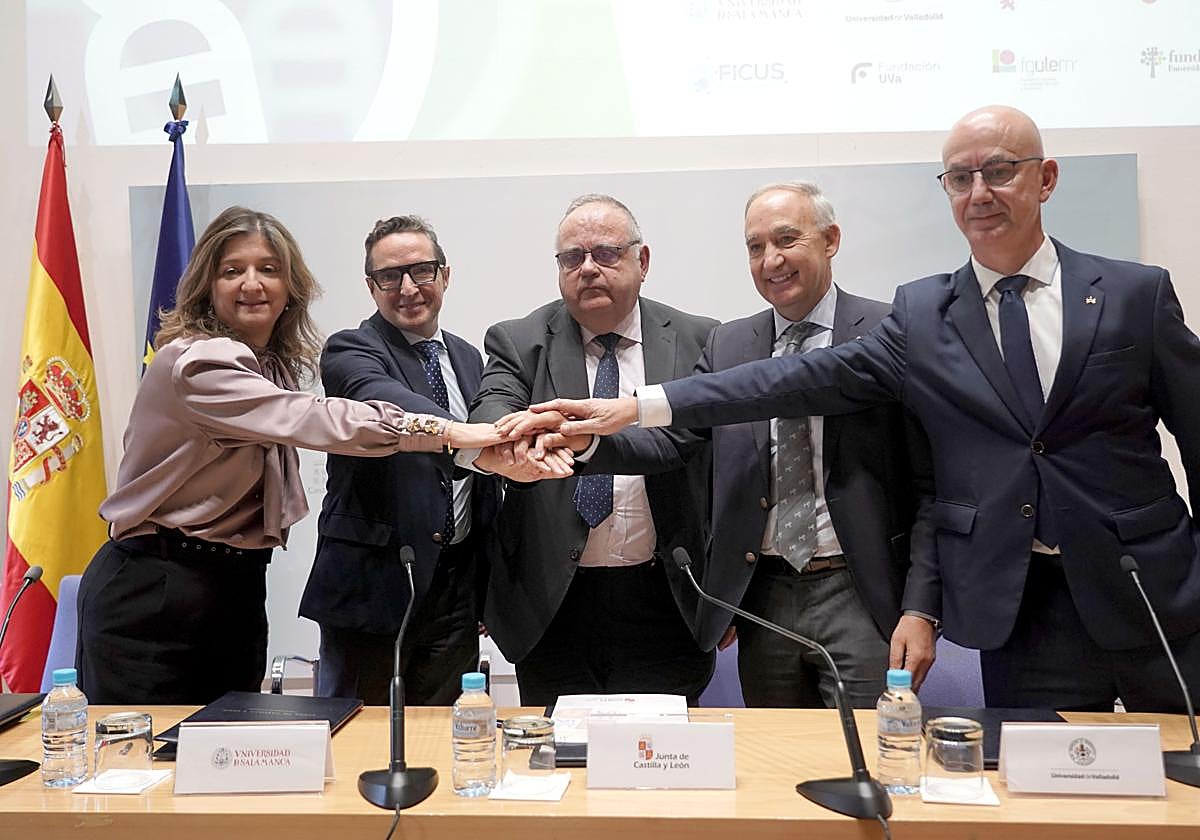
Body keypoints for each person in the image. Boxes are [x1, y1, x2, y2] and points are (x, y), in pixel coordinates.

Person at [513, 106, 1200, 712]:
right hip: (1017, 608)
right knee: (1039, 787)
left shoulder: (1133, 294)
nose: (979, 193)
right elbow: (782, 382)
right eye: (960, 178)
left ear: (1044, 179)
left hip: (1151, 594)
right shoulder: (928, 313)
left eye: (998, 172)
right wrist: (631, 410)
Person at [75, 206, 506, 706]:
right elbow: (313, 418)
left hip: (236, 583)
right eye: (232, 270)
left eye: (268, 269)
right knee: (142, 748)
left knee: (227, 747)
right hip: (158, 584)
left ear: (290, 287)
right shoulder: (197, 362)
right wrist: (452, 432)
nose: (252, 284)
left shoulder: (269, 366)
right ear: (206, 285)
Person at [584, 182, 937, 708]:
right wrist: (589, 445)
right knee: (775, 752)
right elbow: (673, 443)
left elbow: (931, 487)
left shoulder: (890, 331)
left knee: (868, 746)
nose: (771, 260)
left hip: (861, 592)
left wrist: (922, 608)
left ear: (831, 240)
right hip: (764, 597)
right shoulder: (728, 343)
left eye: (787, 240)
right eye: (755, 247)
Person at [467, 194, 718, 705]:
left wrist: (584, 440)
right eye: (572, 258)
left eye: (605, 254)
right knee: (558, 748)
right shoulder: (519, 340)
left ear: (642, 261)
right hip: (552, 601)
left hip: (667, 597)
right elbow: (490, 411)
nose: (587, 269)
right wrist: (516, 441)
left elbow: (699, 449)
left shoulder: (700, 339)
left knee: (660, 749)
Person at [299, 215, 539, 705]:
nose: (407, 288)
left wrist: (486, 587)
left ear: (444, 276)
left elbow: (482, 487)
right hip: (375, 587)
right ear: (372, 287)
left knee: (445, 733)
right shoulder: (350, 350)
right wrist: (475, 443)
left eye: (421, 271)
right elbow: (388, 402)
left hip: (456, 588)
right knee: (360, 732)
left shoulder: (468, 357)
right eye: (390, 277)